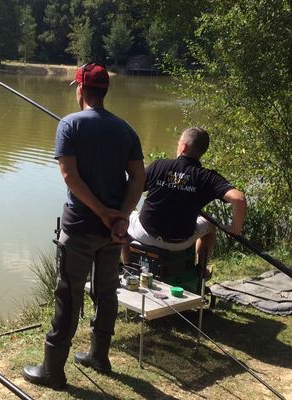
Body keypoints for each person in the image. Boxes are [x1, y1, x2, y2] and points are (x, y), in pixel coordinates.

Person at [22, 63, 145, 389]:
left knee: (68, 294)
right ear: (104, 91)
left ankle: (52, 371)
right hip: (113, 233)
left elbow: (70, 177)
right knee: (106, 292)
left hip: (79, 228)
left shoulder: (69, 125)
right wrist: (120, 215)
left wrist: (104, 212)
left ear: (80, 89)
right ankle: (98, 355)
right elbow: (138, 180)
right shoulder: (126, 130)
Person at [124, 126, 247, 272]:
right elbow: (239, 199)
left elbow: (130, 190)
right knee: (210, 225)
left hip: (144, 233)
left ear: (183, 147)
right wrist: (235, 229)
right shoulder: (207, 177)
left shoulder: (159, 165)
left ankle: (127, 266)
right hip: (179, 242)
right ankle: (201, 269)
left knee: (124, 215)